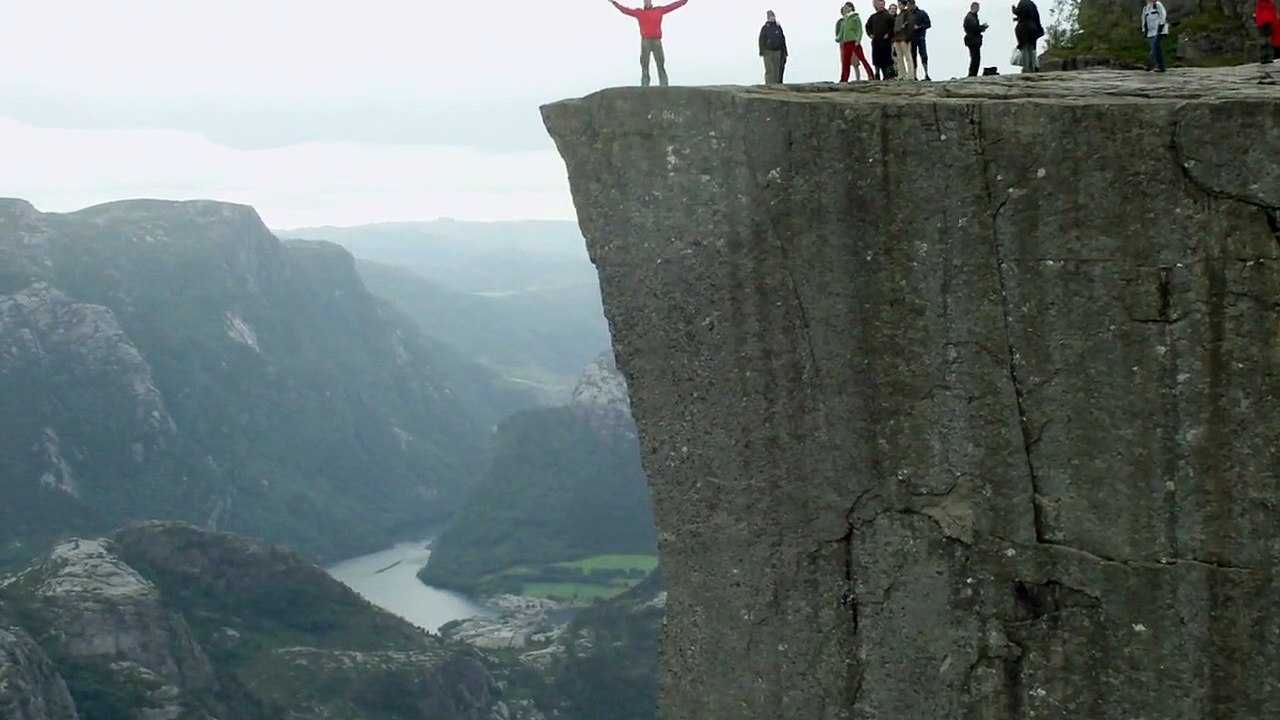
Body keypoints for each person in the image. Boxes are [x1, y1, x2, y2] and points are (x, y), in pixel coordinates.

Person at [608, 0, 690, 87]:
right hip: (645, 41)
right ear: (644, 2)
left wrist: (684, 1)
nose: (647, 2)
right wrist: (614, 3)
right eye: (645, 1)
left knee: (660, 64)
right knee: (645, 65)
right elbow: (625, 10)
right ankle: (645, 86)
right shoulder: (639, 13)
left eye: (648, 1)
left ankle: (664, 86)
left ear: (651, 2)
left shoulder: (658, 10)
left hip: (656, 41)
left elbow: (673, 6)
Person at [836, 3, 876, 81]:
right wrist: (838, 38)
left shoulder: (855, 18)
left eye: (847, 7)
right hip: (846, 42)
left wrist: (858, 40)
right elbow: (842, 31)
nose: (846, 9)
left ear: (851, 8)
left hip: (854, 41)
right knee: (845, 61)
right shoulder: (844, 19)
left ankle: (870, 74)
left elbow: (859, 30)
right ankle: (844, 78)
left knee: (862, 58)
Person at [866, 0, 897, 79]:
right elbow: (867, 27)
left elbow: (893, 27)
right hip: (876, 41)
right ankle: (877, 74)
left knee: (886, 59)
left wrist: (889, 34)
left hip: (885, 42)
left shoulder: (888, 16)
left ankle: (887, 75)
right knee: (876, 59)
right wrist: (870, 34)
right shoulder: (873, 17)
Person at [1012, 0, 1043, 73]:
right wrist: (1039, 28)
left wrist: (1014, 10)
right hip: (1033, 28)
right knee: (1032, 49)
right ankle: (1034, 67)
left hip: (1023, 29)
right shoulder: (1032, 4)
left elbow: (1020, 13)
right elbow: (1035, 17)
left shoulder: (1022, 3)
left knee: (1025, 49)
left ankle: (1027, 68)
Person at [759, 11, 789, 84]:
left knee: (777, 69)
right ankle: (769, 85)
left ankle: (777, 85)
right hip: (768, 51)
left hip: (778, 51)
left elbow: (782, 39)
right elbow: (761, 39)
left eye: (773, 16)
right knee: (770, 69)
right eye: (770, 16)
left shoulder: (778, 27)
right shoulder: (765, 28)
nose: (772, 18)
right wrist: (762, 51)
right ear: (768, 18)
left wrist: (785, 51)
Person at [1141, 0, 1169, 72]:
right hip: (1151, 31)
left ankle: (1150, 65)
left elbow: (1163, 15)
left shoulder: (1157, 4)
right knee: (1156, 48)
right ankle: (1159, 65)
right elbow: (1144, 19)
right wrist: (1144, 30)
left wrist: (1161, 26)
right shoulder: (1146, 8)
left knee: (1155, 46)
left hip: (1159, 30)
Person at [908, 0, 933, 80]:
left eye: (911, 5)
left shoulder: (921, 13)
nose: (909, 7)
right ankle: (914, 75)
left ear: (914, 5)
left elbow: (928, 24)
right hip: (911, 38)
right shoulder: (907, 15)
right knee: (912, 56)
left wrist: (919, 27)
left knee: (923, 55)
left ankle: (926, 74)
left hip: (920, 37)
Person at [893, 1, 917, 79]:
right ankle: (901, 74)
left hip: (904, 38)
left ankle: (911, 75)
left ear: (904, 5)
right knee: (899, 58)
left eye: (900, 4)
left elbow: (911, 26)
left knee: (908, 57)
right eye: (898, 4)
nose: (899, 6)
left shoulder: (908, 14)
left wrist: (908, 37)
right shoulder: (899, 15)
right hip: (897, 38)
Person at [964, 2, 989, 76]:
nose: (978, 9)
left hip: (973, 40)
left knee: (975, 58)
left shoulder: (972, 16)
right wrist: (982, 28)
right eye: (977, 8)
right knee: (975, 58)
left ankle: (973, 74)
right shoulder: (970, 17)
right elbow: (974, 28)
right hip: (972, 40)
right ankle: (972, 74)